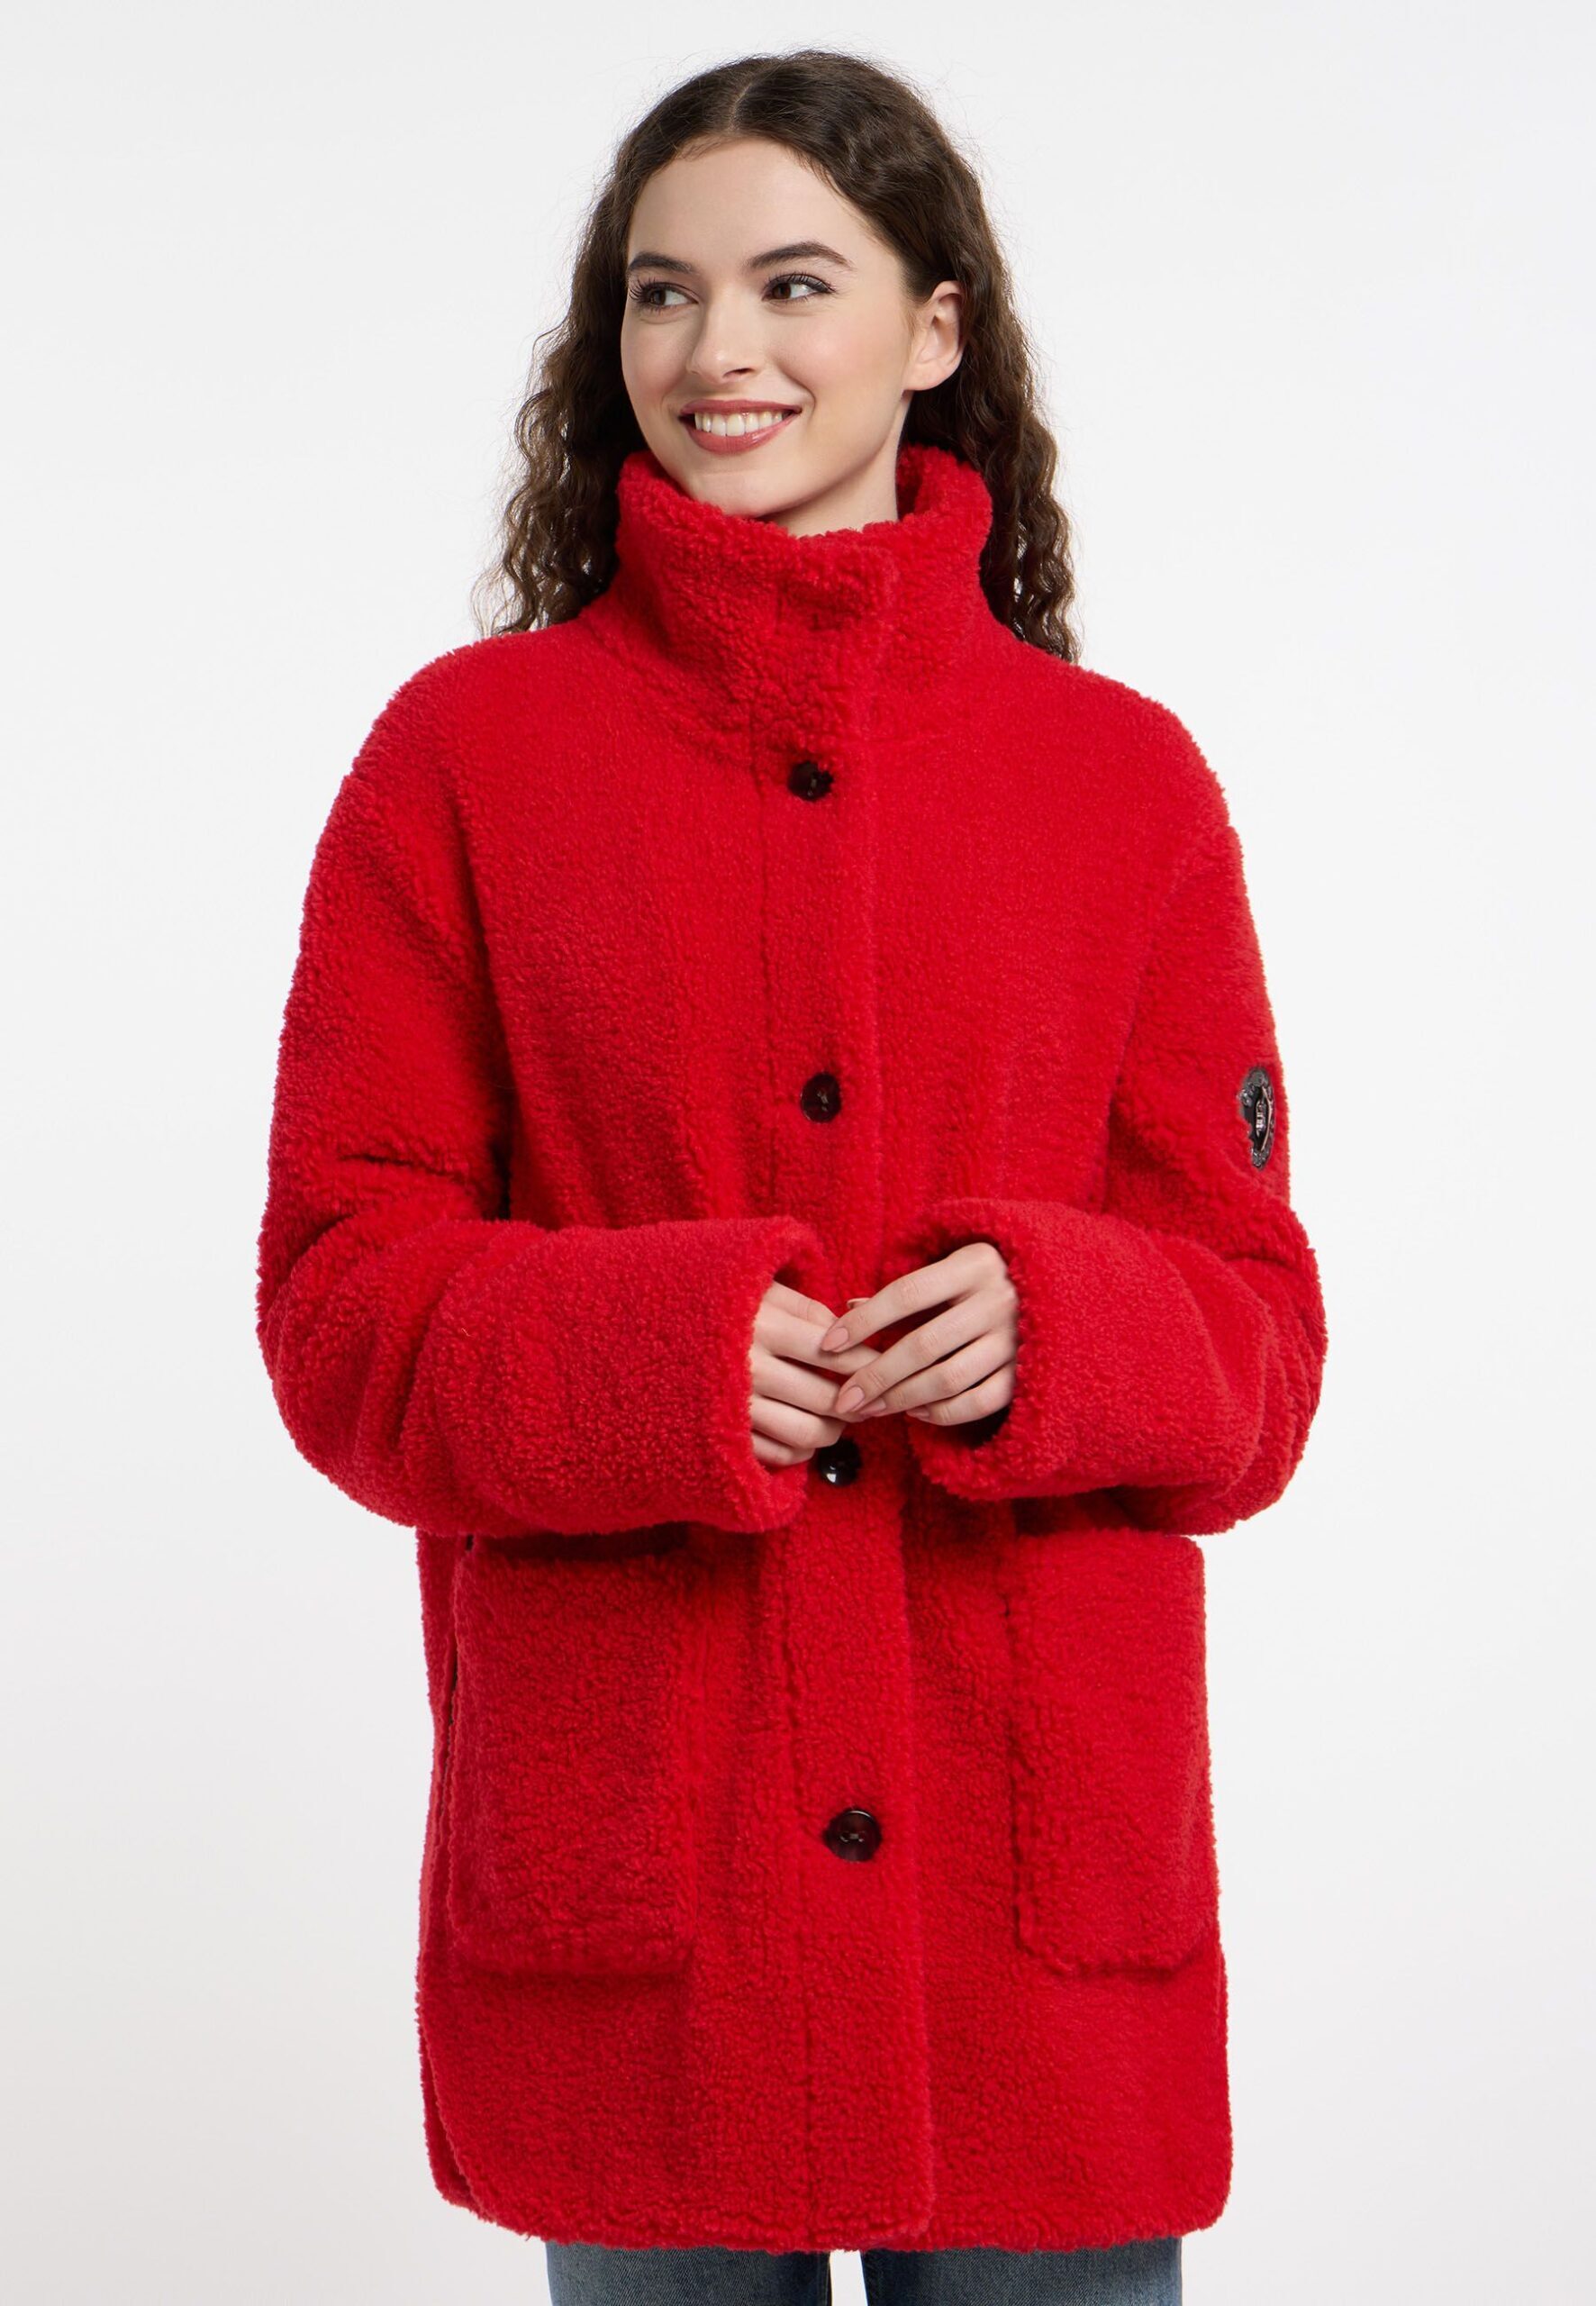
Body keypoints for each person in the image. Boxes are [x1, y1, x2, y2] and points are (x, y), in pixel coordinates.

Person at [255, 46, 1328, 2306]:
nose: (714, 348)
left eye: (790, 283)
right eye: (659, 293)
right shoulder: (466, 764)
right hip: (646, 1882)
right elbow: (338, 1302)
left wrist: (1061, 1319)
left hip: (1027, 1899)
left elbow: (1260, 1342)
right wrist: (652, 1349)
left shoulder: (1121, 785)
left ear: (934, 329)